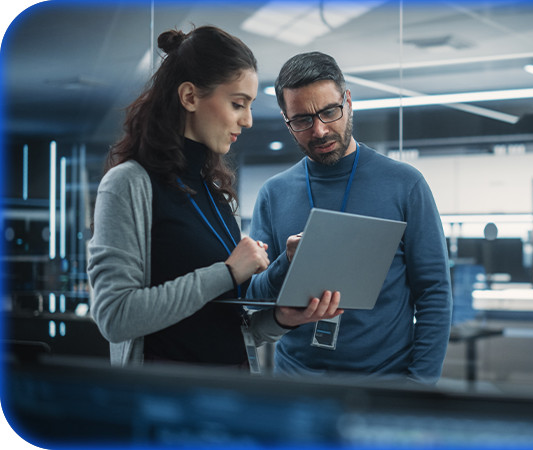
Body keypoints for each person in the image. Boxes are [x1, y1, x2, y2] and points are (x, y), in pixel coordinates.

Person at [87, 27, 342, 368]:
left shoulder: (218, 194)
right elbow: (115, 317)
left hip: (229, 396)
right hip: (163, 405)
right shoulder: (128, 184)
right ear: (190, 97)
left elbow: (230, 326)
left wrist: (282, 318)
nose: (248, 120)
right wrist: (226, 273)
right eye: (238, 104)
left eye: (249, 106)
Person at [247, 51, 452, 384]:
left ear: (349, 101)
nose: (320, 130)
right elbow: (254, 296)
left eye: (330, 111)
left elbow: (434, 292)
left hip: (385, 385)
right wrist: (286, 263)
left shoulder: (404, 184)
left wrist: (420, 384)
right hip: (297, 386)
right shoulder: (274, 194)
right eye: (302, 120)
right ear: (286, 121)